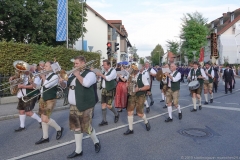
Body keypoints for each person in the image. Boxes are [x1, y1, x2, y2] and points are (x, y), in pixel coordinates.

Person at [60, 56, 100, 158]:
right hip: (73, 105)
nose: (75, 65)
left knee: (86, 128)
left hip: (85, 105)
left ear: (83, 63)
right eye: (74, 64)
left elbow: (86, 84)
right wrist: (62, 81)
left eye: (77, 63)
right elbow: (66, 86)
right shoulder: (73, 75)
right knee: (76, 127)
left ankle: (96, 141)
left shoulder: (90, 74)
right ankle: (78, 150)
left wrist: (77, 75)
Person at [35, 61, 64, 145]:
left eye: (46, 66)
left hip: (50, 99)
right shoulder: (46, 75)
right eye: (44, 66)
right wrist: (32, 82)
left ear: (51, 68)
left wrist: (43, 77)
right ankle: (45, 137)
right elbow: (40, 87)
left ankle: (59, 129)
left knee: (45, 118)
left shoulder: (55, 76)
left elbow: (47, 85)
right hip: (43, 98)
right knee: (43, 118)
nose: (44, 68)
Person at [10, 65, 42, 132]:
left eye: (26, 69)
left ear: (31, 70)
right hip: (21, 95)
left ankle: (41, 121)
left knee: (28, 112)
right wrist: (12, 78)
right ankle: (22, 126)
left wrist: (23, 86)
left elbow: (35, 87)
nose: (24, 71)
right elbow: (16, 81)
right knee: (21, 111)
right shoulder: (23, 76)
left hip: (30, 95)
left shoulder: (35, 76)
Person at [124, 63, 151, 135]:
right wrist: (127, 85)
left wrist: (139, 88)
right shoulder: (130, 76)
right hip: (131, 95)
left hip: (140, 96)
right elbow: (127, 83)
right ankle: (130, 129)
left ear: (136, 70)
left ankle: (146, 122)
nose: (131, 70)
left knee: (139, 114)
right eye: (131, 69)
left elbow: (147, 86)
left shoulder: (142, 76)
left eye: (132, 69)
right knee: (129, 112)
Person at [96, 59, 119, 126]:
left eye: (105, 65)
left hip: (110, 90)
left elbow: (108, 78)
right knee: (103, 104)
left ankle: (116, 114)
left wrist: (101, 74)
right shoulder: (104, 71)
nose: (103, 66)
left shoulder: (113, 71)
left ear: (109, 65)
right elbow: (100, 79)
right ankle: (104, 120)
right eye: (103, 65)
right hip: (104, 90)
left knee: (108, 105)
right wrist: (98, 76)